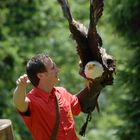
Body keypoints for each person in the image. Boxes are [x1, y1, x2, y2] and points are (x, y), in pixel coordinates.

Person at [13, 53, 82, 140]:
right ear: (41, 75)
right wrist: (21, 87)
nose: (58, 70)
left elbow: (81, 104)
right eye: (53, 68)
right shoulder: (32, 101)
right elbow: (18, 103)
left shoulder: (62, 92)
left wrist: (92, 74)